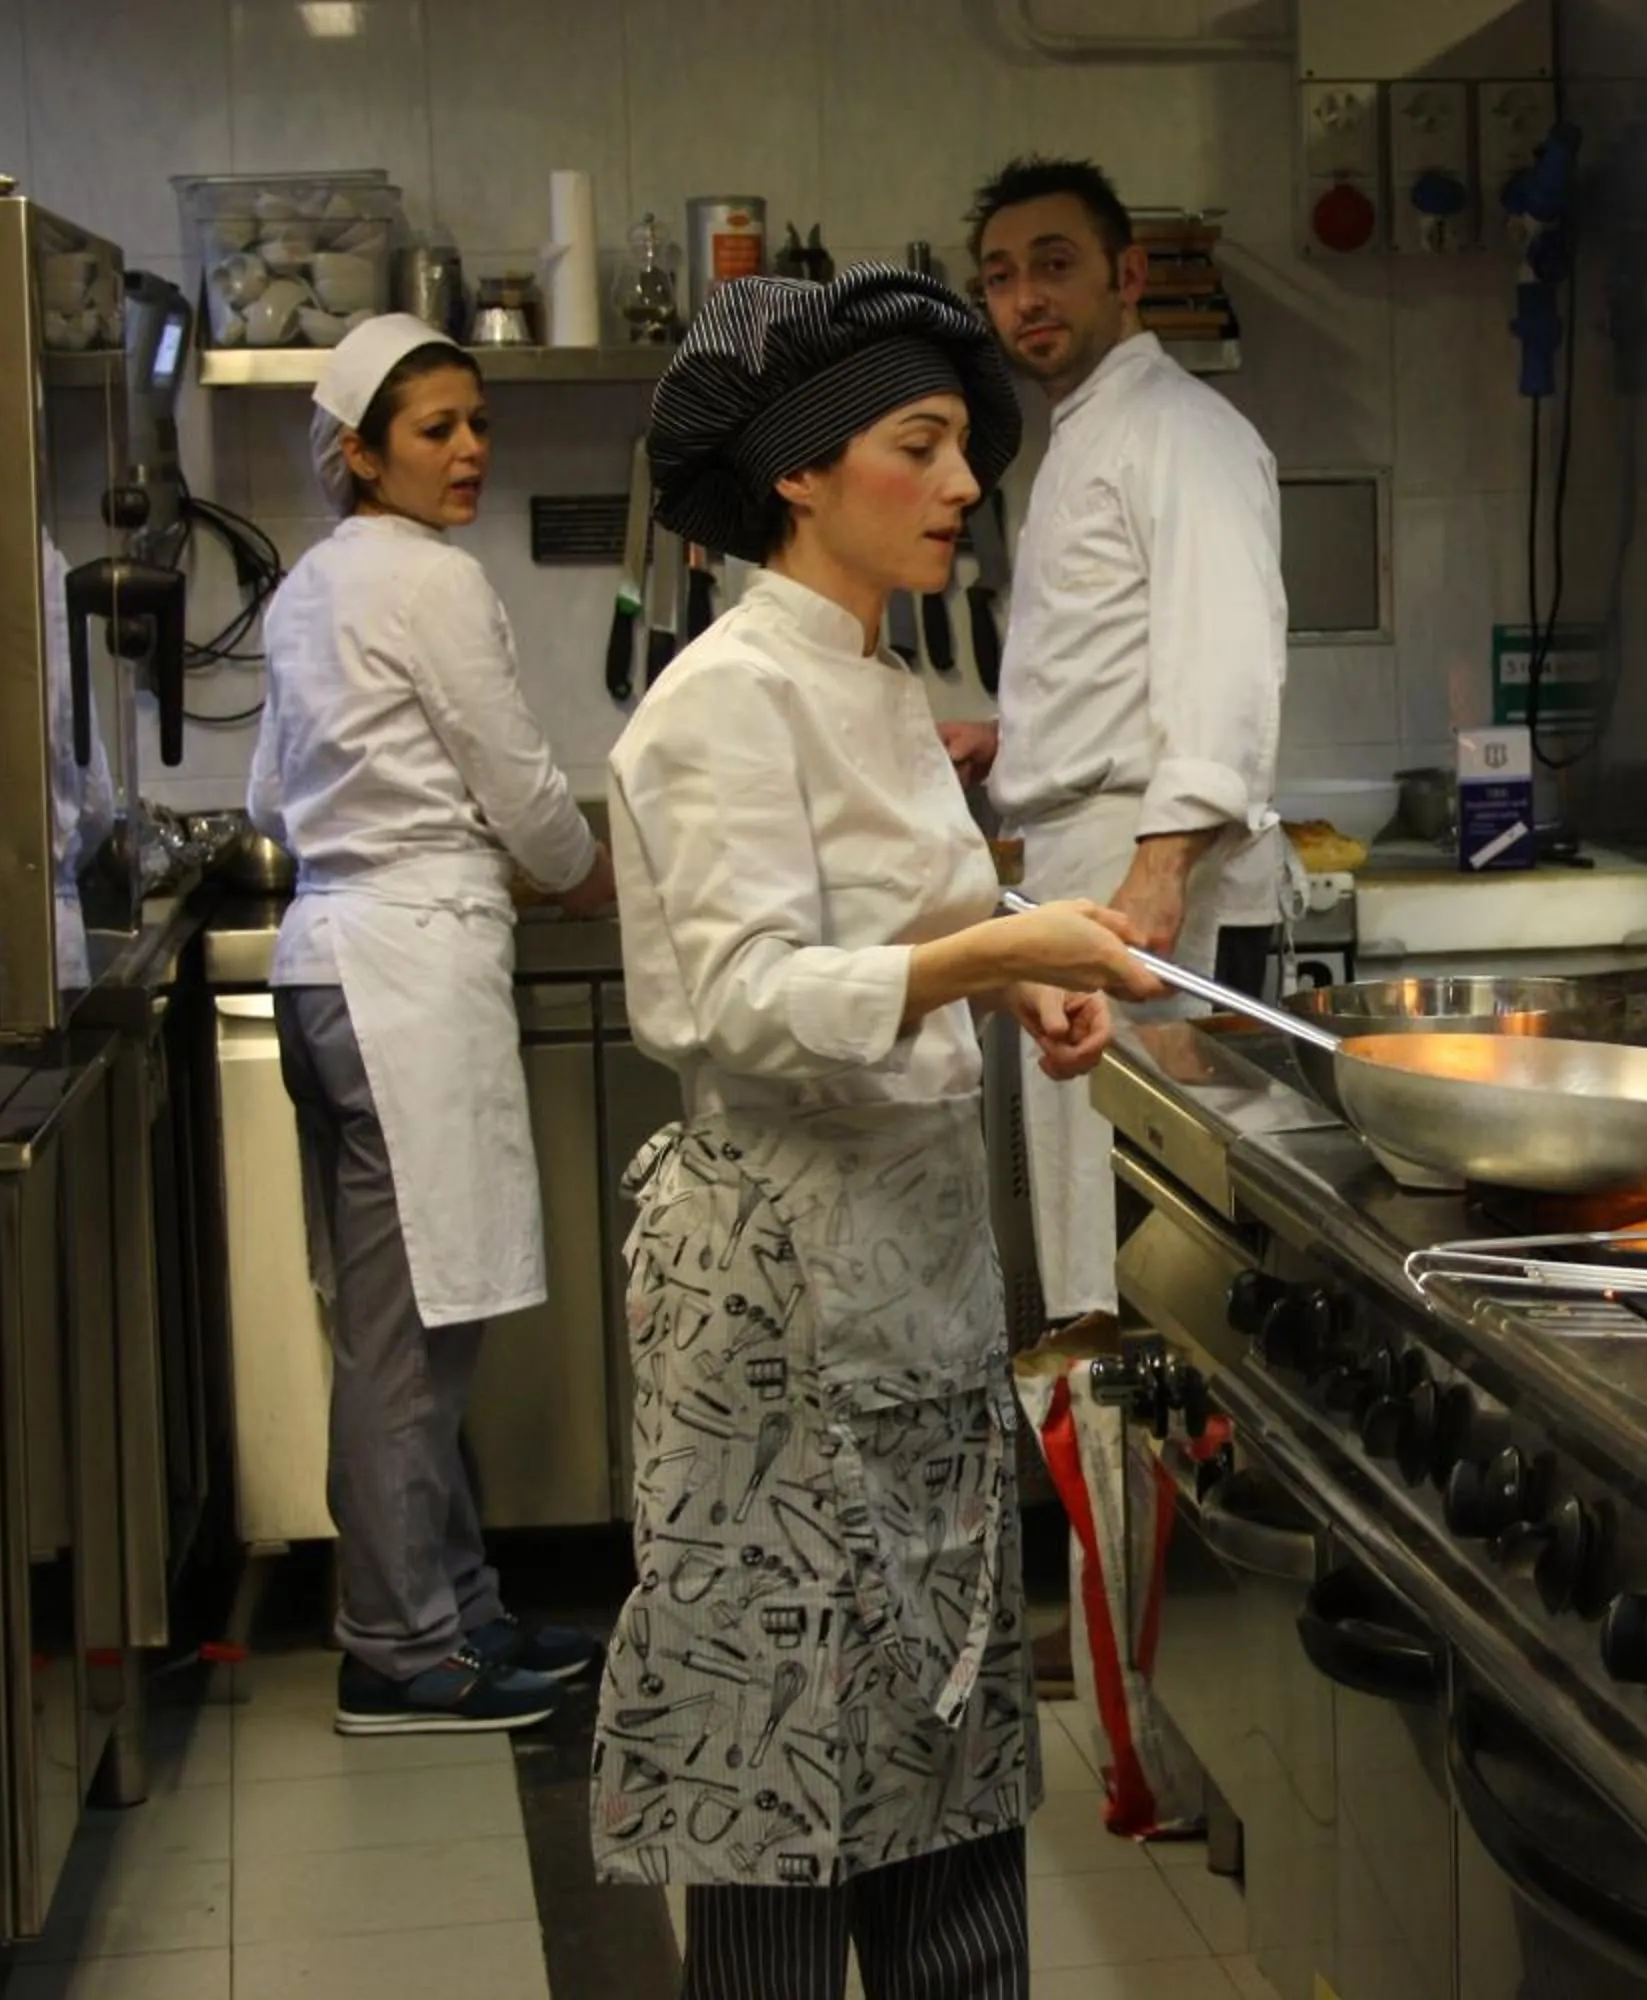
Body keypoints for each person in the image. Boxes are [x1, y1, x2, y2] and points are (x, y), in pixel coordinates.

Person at [591, 266, 1161, 1998]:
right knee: (782, 1802)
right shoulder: (716, 702)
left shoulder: (884, 684)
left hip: (908, 1295)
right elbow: (739, 1000)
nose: (965, 481)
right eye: (919, 446)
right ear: (801, 474)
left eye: (959, 445)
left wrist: (1005, 984)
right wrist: (994, 949)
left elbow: (888, 939)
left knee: (943, 1754)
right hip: (771, 1323)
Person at [249, 312, 616, 1737]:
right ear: (360, 452)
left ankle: (455, 1611)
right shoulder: (433, 584)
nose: (470, 452)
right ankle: (399, 1648)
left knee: (408, 1323)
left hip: (327, 959)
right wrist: (580, 876)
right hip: (400, 972)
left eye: (477, 423)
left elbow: (269, 805)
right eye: (435, 431)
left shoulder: (306, 588)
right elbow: (521, 784)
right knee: (410, 1342)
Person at [957, 154, 1290, 1338]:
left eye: (1054, 265)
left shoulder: (1179, 430)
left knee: (1148, 1253)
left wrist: (1160, 868)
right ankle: (1109, 1480)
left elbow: (1225, 653)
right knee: (1090, 1235)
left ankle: (1147, 1487)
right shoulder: (1082, 437)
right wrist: (1011, 738)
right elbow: (1123, 654)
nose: (1026, 298)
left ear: (1127, 275)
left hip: (1149, 880)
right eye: (1001, 277)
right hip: (1081, 859)